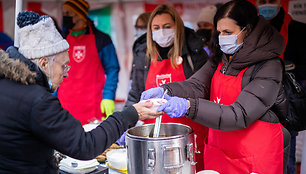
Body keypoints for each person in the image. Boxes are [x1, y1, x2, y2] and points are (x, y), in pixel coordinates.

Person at [1, 11, 161, 173]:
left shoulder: (6, 83)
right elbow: (85, 146)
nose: (66, 73)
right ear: (43, 63)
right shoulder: (37, 100)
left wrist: (108, 96)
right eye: (63, 66)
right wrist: (131, 114)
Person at [141, 0, 291, 173]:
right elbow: (197, 85)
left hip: (254, 158)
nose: (222, 37)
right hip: (220, 151)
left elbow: (239, 114)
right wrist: (166, 90)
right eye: (219, 32)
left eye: (228, 32)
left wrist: (188, 107)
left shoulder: (269, 66)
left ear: (248, 30)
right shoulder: (222, 58)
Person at [125, 4, 209, 171]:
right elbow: (135, 93)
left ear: (177, 27)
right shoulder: (144, 54)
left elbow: (204, 90)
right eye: (156, 28)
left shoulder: (194, 52)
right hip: (154, 138)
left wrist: (183, 104)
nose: (161, 32)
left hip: (188, 136)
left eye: (167, 26)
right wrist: (125, 122)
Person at [255, 1, 306, 173]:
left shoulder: (298, 29)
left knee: (286, 159)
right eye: (262, 1)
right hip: (257, 101)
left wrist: (288, 69)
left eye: (271, 0)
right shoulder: (252, 30)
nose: (267, 4)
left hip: (287, 103)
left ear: (280, 2)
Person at [59, 0, 120, 125]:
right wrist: (52, 97)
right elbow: (54, 70)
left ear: (80, 15)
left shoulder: (101, 39)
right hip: (64, 106)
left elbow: (112, 69)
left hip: (93, 106)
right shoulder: (61, 39)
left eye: (68, 13)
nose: (64, 16)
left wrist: (108, 96)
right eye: (63, 13)